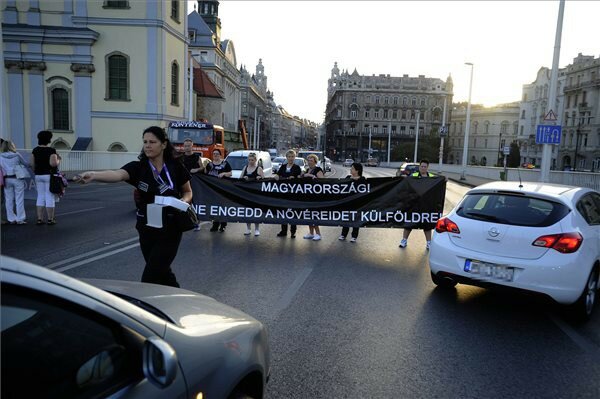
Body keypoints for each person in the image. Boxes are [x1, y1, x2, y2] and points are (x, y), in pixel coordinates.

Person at [77, 126, 192, 287]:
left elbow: (188, 192)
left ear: (164, 144)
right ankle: (180, 299)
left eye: (152, 142)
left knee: (150, 276)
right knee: (162, 272)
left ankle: (143, 307)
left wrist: (183, 203)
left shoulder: (175, 167)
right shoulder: (139, 167)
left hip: (170, 227)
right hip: (146, 228)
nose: (147, 145)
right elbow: (117, 174)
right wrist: (94, 175)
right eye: (145, 142)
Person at [399, 159, 435, 250]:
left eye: (425, 167)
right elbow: (406, 185)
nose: (423, 168)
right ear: (419, 167)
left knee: (427, 224)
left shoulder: (432, 177)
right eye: (421, 166)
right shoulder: (413, 176)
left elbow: (438, 184)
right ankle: (404, 241)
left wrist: (444, 180)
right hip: (414, 204)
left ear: (427, 168)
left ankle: (429, 243)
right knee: (409, 223)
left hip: (426, 205)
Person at [31, 130, 60, 225]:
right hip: (48, 175)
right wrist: (58, 160)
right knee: (49, 196)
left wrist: (36, 171)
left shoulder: (35, 150)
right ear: (48, 139)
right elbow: (53, 164)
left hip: (38, 175)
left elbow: (32, 164)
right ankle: (50, 219)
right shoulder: (51, 150)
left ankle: (39, 219)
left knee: (40, 196)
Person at [274, 149, 302, 238]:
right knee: (283, 212)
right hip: (283, 194)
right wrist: (276, 176)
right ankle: (283, 231)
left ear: (295, 157)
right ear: (286, 157)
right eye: (289, 157)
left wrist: (295, 177)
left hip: (293, 194)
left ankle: (293, 232)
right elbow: (277, 174)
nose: (291, 158)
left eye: (292, 157)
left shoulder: (297, 167)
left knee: (293, 213)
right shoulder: (283, 166)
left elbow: (300, 178)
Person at [0, 140, 28, 225]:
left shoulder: (0, 156)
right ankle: (20, 219)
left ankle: (11, 218)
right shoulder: (17, 155)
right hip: (17, 178)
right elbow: (25, 164)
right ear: (12, 146)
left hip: (6, 179)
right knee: (19, 199)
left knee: (8, 200)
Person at [205, 149, 232, 232]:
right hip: (212, 190)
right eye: (214, 154)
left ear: (220, 155)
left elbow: (231, 173)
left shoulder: (225, 163)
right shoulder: (209, 164)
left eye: (217, 154)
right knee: (215, 207)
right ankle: (215, 224)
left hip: (223, 189)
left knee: (222, 207)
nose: (215, 155)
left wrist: (224, 174)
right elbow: (205, 174)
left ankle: (223, 225)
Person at [339, 162, 364, 243]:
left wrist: (357, 179)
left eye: (352, 168)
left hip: (357, 203)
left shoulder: (362, 179)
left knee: (356, 219)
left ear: (357, 170)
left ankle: (354, 236)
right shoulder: (348, 177)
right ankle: (343, 234)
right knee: (346, 218)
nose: (350, 169)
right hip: (347, 202)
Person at [181, 138, 204, 231]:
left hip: (194, 183)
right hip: (182, 183)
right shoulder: (180, 157)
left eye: (188, 146)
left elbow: (203, 167)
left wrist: (197, 169)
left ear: (192, 146)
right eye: (185, 146)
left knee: (194, 203)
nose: (187, 148)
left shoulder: (196, 157)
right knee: (183, 203)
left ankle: (196, 222)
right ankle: (184, 222)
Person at [241, 152, 264, 236]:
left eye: (252, 160)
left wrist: (259, 178)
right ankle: (248, 228)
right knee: (247, 211)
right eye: (249, 160)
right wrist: (244, 178)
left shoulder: (259, 168)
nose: (251, 161)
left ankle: (257, 229)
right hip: (246, 194)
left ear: (255, 160)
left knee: (255, 211)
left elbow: (264, 181)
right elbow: (239, 179)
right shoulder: (245, 167)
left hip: (255, 194)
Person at [303, 153, 324, 241]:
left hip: (315, 196)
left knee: (314, 215)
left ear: (315, 161)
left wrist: (311, 176)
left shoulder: (318, 169)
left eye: (311, 161)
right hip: (307, 195)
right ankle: (311, 233)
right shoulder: (307, 169)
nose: (309, 162)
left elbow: (322, 181)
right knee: (308, 214)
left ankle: (318, 233)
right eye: (308, 160)